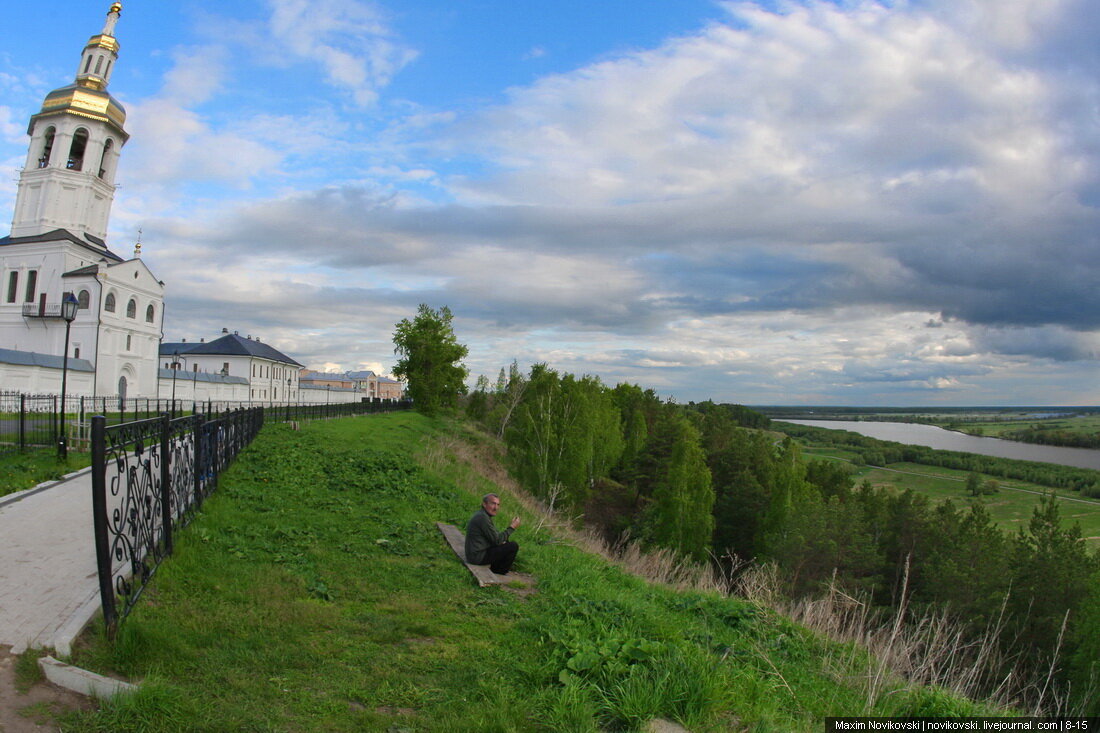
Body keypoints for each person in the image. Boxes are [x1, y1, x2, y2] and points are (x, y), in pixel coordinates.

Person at [465, 493, 520, 574]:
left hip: (475, 553)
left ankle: (497, 566)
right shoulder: (482, 518)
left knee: (506, 541)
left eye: (498, 505)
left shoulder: (483, 515)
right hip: (477, 557)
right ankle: (499, 570)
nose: (496, 508)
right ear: (484, 504)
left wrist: (503, 541)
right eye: (493, 504)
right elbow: (497, 540)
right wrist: (512, 527)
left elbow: (495, 537)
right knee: (513, 546)